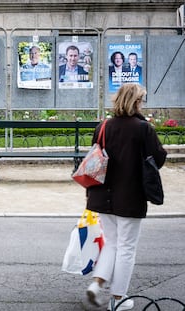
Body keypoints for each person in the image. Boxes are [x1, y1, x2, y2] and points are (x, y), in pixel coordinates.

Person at [85, 83, 167, 311]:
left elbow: (95, 156)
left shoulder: (103, 126)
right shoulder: (143, 128)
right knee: (127, 248)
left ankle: (95, 285)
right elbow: (158, 158)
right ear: (137, 102)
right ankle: (118, 300)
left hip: (102, 196)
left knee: (111, 243)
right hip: (130, 197)